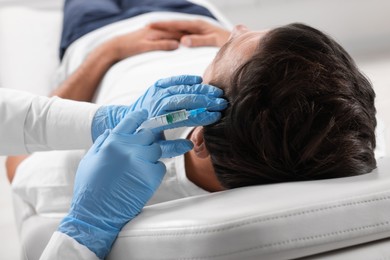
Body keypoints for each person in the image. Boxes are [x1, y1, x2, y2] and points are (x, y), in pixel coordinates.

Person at [8, 0, 377, 258]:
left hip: (99, 33)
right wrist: (232, 47)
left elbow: (16, 161)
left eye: (223, 54)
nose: (239, 28)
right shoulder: (317, 134)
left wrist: (107, 53)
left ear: (196, 137)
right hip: (194, 15)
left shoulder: (106, 170)